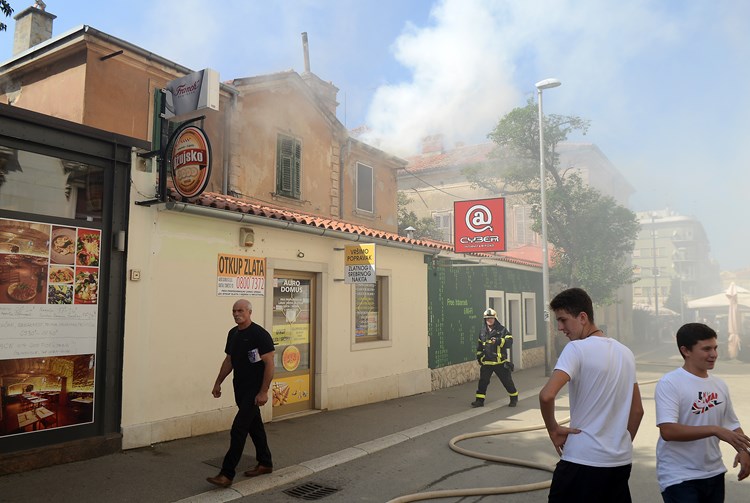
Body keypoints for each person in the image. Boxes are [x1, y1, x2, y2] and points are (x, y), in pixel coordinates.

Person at [539, 287, 644, 502]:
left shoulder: (576, 349)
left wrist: (553, 429)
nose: (560, 328)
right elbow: (637, 411)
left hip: (582, 462)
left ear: (583, 317)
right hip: (619, 463)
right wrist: (618, 444)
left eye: (563, 320)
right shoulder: (626, 353)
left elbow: (547, 395)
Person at [655, 322, 750, 502]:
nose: (713, 354)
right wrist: (714, 429)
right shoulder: (670, 383)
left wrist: (745, 451)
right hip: (679, 476)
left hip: (714, 473)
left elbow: (731, 423)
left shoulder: (719, 384)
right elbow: (668, 430)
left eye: (715, 348)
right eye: (706, 349)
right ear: (686, 351)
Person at [206, 299, 276, 488]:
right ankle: (265, 463)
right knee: (255, 427)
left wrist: (263, 391)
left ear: (249, 312)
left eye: (241, 310)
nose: (237, 314)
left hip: (254, 390)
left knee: (238, 429)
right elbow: (229, 360)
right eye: (234, 311)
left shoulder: (259, 335)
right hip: (240, 388)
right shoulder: (233, 334)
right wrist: (218, 382)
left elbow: (270, 364)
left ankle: (226, 474)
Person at [471, 308, 519, 408]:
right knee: (483, 383)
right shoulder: (482, 331)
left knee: (507, 382)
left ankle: (514, 399)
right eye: (487, 318)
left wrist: (498, 341)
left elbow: (509, 343)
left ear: (495, 319)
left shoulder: (502, 330)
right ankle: (479, 401)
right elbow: (480, 346)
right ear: (485, 320)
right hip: (487, 363)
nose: (489, 320)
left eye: (491, 318)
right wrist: (480, 357)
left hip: (500, 362)